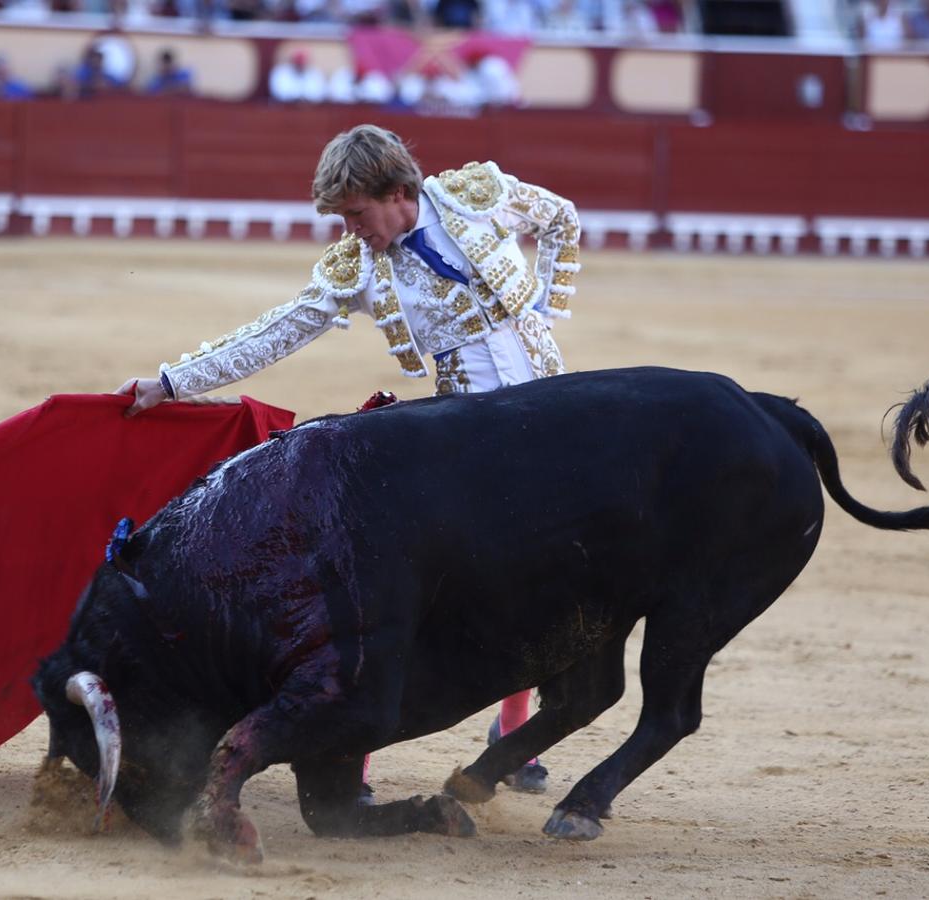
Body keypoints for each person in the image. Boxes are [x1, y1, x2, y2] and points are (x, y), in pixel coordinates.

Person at [117, 124, 582, 797]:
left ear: (399, 193)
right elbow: (278, 330)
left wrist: (545, 305)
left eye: (356, 214)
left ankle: (513, 736)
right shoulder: (361, 266)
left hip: (551, 405)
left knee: (550, 568)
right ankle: (353, 759)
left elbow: (561, 218)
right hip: (467, 433)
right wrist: (170, 382)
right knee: (414, 592)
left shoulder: (477, 199)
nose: (349, 230)